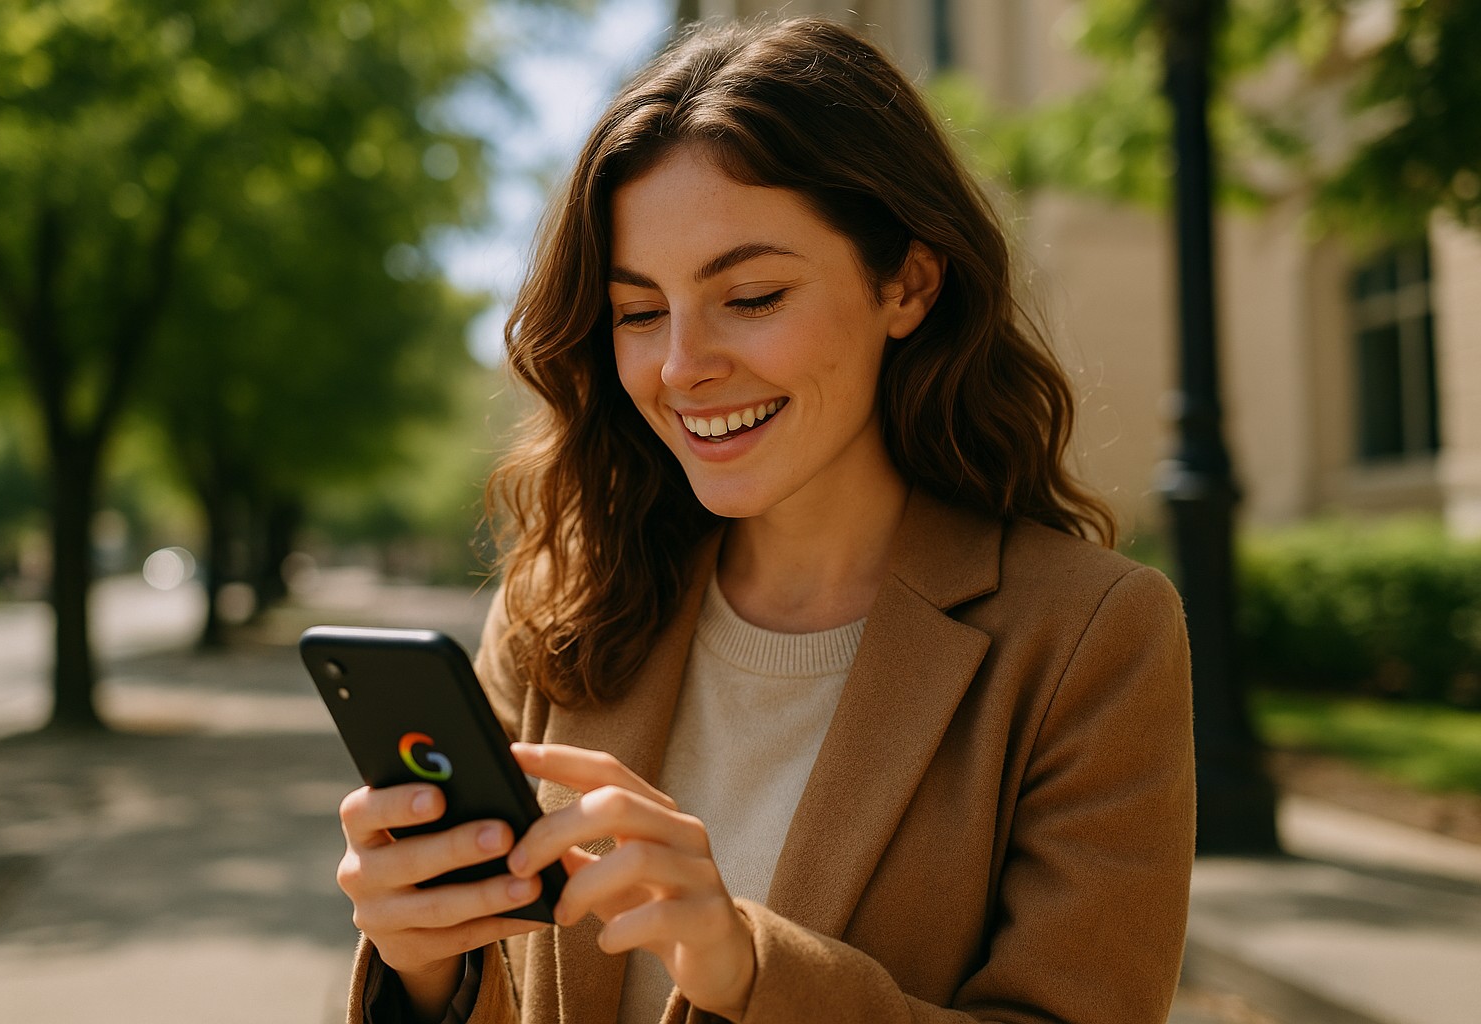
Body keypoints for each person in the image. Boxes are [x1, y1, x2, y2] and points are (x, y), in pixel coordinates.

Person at [335, 16, 1195, 1024]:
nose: (681, 367)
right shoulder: (558, 608)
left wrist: (751, 969)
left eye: (750, 296)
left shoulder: (1092, 638)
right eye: (639, 312)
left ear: (908, 284)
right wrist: (424, 969)